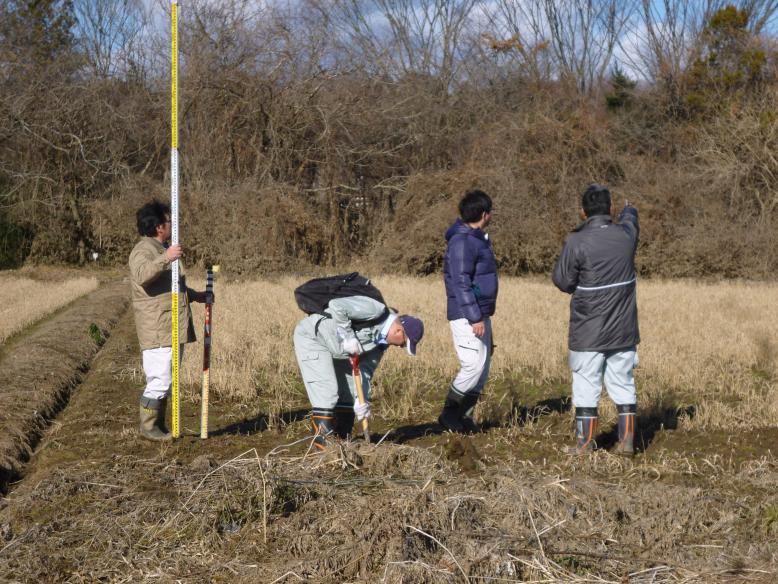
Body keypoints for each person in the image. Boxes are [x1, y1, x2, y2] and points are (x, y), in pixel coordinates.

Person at [552, 184, 640, 456]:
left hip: (587, 331)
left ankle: (585, 443)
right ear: (610, 208)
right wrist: (630, 210)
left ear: (582, 212)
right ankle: (626, 442)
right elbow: (631, 222)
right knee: (623, 383)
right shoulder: (626, 235)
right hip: (623, 329)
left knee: (585, 384)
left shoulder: (576, 241)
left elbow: (563, 281)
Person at [293, 295, 424, 449]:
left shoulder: (382, 344)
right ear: (398, 331)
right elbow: (337, 305)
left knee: (348, 393)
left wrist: (361, 400)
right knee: (327, 392)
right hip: (314, 338)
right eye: (403, 343)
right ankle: (324, 448)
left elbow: (366, 370)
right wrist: (347, 336)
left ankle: (342, 441)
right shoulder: (375, 310)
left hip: (338, 351)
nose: (400, 347)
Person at [129, 200, 208, 441]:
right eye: (169, 221)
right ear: (158, 226)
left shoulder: (160, 249)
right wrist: (166, 257)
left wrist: (195, 296)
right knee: (160, 378)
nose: (173, 225)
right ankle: (149, 427)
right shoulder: (144, 250)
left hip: (170, 324)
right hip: (158, 327)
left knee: (167, 376)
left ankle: (158, 426)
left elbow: (170, 287)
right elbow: (142, 275)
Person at [438, 190, 498, 434]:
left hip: (480, 313)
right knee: (473, 365)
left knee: (482, 369)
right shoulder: (462, 242)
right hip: (466, 314)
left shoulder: (476, 239)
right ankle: (448, 414)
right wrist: (474, 317)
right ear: (485, 214)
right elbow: (460, 282)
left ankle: (465, 416)